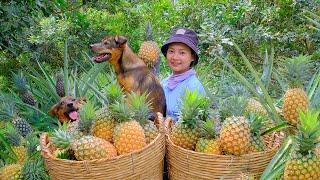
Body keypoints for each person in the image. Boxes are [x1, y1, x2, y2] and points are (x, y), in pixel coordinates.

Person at [160, 28, 206, 122]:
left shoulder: (194, 87)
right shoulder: (163, 83)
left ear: (192, 57)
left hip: (182, 135)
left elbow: (197, 124)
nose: (175, 57)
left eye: (182, 53)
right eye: (171, 51)